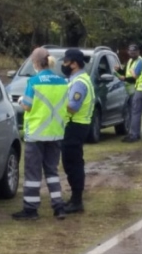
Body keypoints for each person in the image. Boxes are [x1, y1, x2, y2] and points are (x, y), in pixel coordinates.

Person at [12, 48, 68, 221]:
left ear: (35, 63)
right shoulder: (62, 81)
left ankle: (31, 209)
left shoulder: (34, 82)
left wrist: (20, 100)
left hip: (36, 134)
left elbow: (27, 105)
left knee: (32, 174)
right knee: (52, 171)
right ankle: (59, 207)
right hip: (56, 132)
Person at [61, 48, 95, 214]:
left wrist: (57, 103)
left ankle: (76, 200)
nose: (63, 64)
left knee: (73, 164)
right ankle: (75, 199)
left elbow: (73, 107)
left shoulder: (79, 82)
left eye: (66, 62)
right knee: (72, 163)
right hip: (76, 125)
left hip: (75, 125)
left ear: (74, 63)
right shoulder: (77, 79)